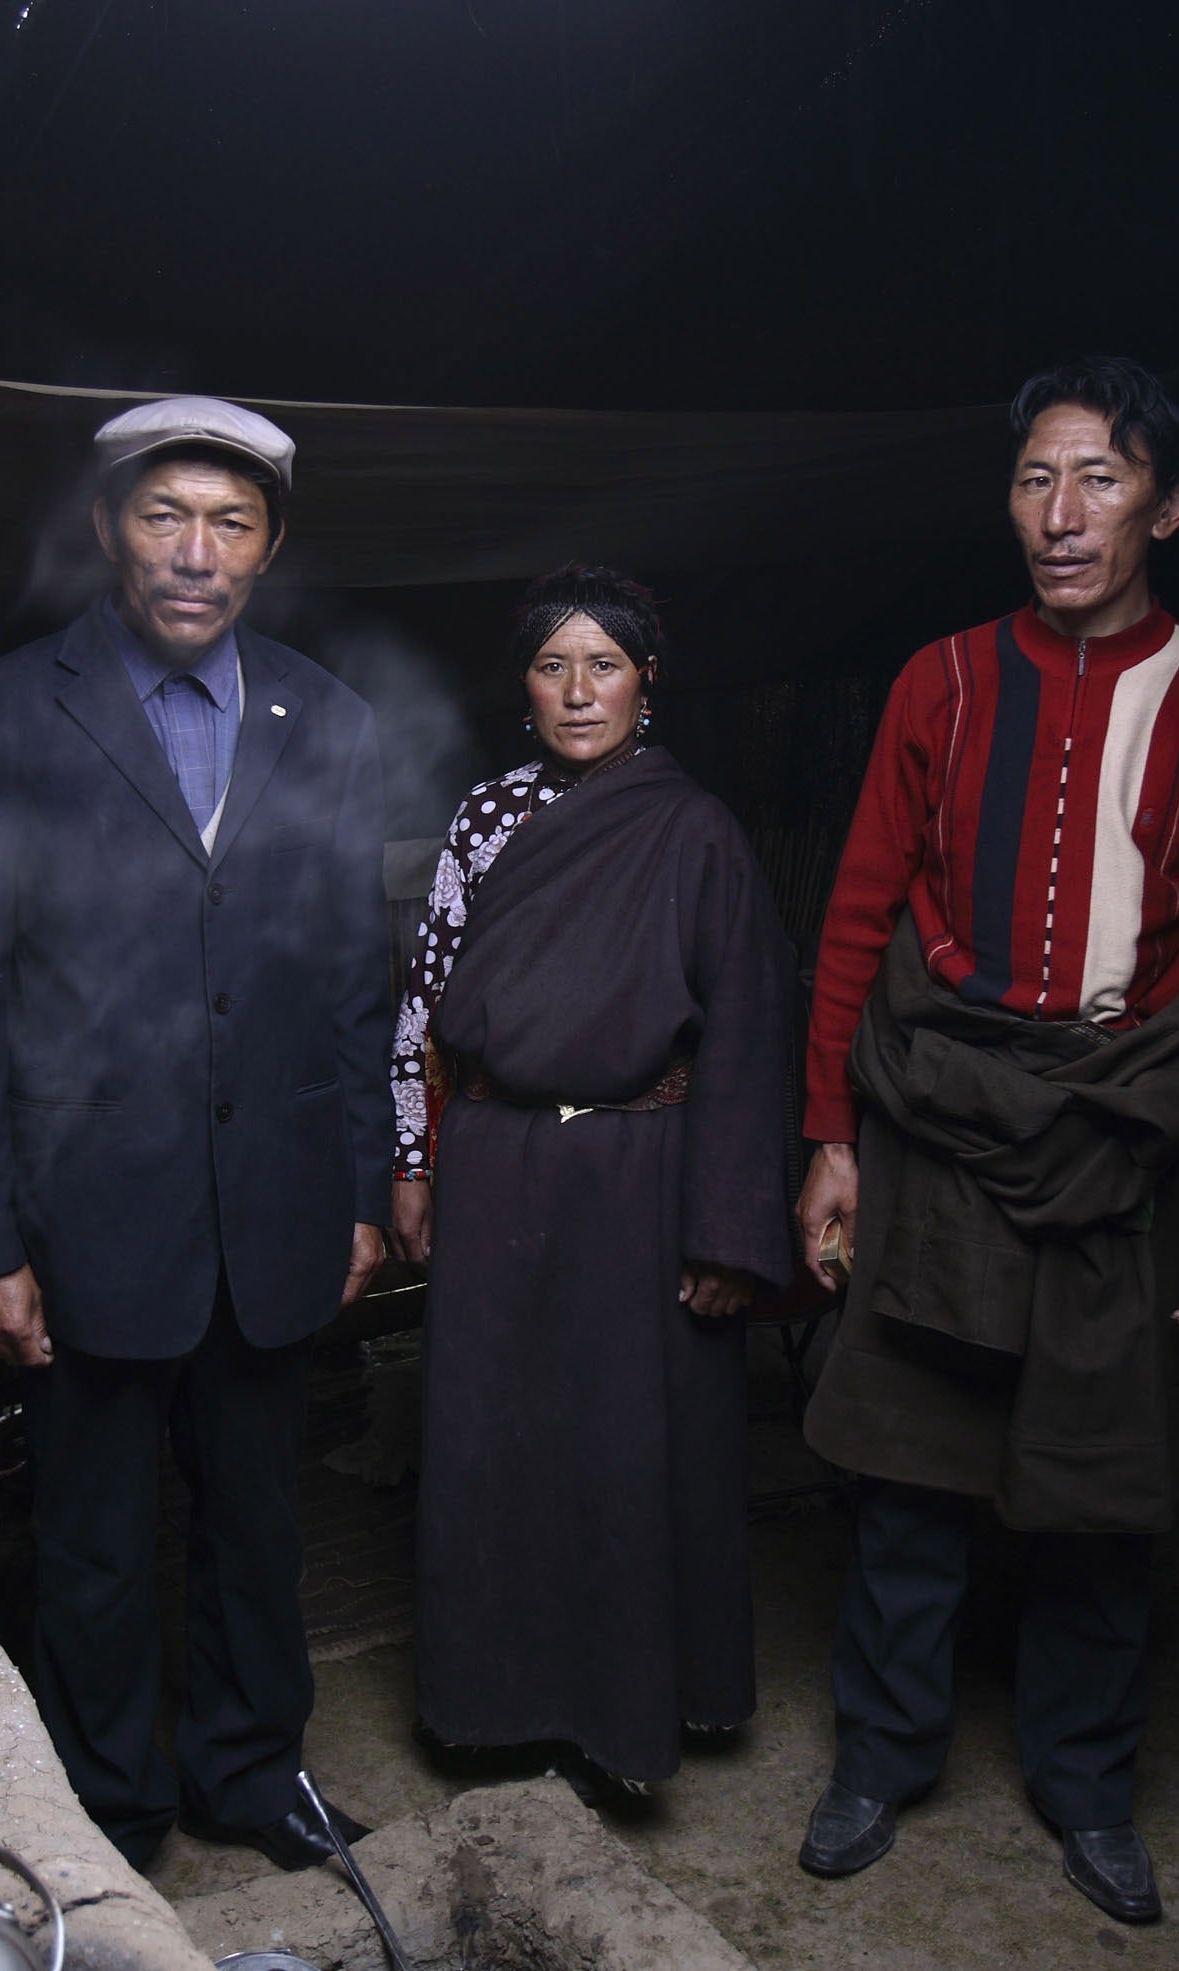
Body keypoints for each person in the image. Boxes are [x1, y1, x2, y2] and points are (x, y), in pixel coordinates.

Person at [788, 357, 1179, 1921]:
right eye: (1034, 480)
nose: (1061, 516)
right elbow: (860, 913)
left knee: (1101, 1482)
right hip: (935, 1111)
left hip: (1120, 1128)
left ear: (1170, 502)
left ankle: (1085, 1783)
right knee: (909, 1466)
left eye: (1100, 479)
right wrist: (832, 1135)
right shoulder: (938, 681)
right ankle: (883, 1751)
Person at [0, 395, 393, 1873]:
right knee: (98, 1544)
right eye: (166, 516)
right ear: (111, 526)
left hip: (273, 1208)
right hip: (86, 1217)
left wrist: (362, 1186)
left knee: (257, 1522)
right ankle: (109, 1810)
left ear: (271, 545)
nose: (197, 552)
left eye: (230, 522)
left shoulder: (334, 719)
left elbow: (352, 979)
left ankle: (251, 1771)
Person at [391, 565, 796, 1800]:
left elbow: (749, 1035)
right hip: (501, 1166)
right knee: (492, 1445)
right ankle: (492, 1709)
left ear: (646, 681)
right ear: (523, 686)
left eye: (604, 664)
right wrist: (415, 1157)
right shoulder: (483, 821)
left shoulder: (697, 832)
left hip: (639, 1176)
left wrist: (727, 1231)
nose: (578, 692)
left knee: (626, 1450)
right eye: (553, 666)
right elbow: (421, 1002)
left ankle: (630, 1723)